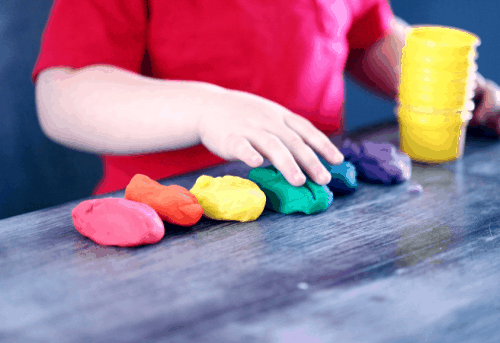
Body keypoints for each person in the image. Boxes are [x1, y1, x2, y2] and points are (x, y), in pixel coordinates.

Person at [32, 0, 500, 196]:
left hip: (316, 205)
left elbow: (368, 36)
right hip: (169, 220)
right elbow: (65, 96)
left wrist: (444, 83)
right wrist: (205, 109)